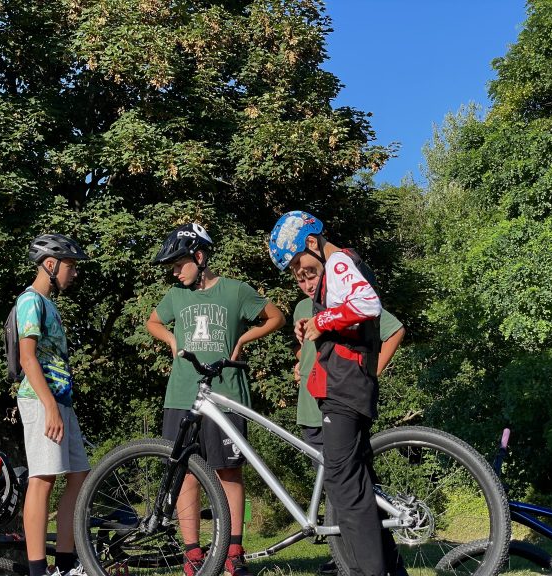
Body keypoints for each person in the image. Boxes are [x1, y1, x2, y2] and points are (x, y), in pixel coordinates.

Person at [146, 223, 286, 576]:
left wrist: (243, 341)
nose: (175, 272)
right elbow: (153, 322)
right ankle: (193, 555)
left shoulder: (236, 291)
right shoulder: (176, 297)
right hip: (182, 395)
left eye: (179, 264)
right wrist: (172, 341)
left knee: (229, 471)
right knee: (186, 474)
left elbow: (275, 317)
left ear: (199, 256)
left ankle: (233, 553)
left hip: (226, 394)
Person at [269, 210, 390, 576]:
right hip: (348, 383)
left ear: (311, 242)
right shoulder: (343, 264)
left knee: (345, 490)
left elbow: (368, 305)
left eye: (299, 263)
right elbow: (349, 315)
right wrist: (319, 320)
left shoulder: (336, 261)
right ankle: (391, 569)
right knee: (357, 486)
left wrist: (320, 322)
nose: (300, 274)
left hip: (344, 387)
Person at [290, 249, 405, 575]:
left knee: (351, 494)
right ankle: (354, 562)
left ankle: (357, 564)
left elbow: (392, 329)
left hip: (341, 398)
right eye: (300, 279)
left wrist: (370, 372)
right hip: (311, 408)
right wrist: (300, 360)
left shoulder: (342, 285)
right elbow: (316, 346)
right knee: (342, 494)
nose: (307, 283)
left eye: (310, 275)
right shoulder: (303, 306)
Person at [16, 233, 91, 576]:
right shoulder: (30, 301)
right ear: (50, 264)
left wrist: (59, 404)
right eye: (70, 266)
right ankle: (37, 569)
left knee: (79, 476)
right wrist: (47, 406)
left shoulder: (49, 304)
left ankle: (65, 563)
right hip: (39, 400)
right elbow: (27, 358)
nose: (73, 273)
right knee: (43, 478)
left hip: (62, 400)